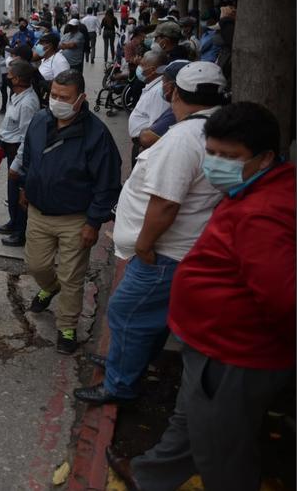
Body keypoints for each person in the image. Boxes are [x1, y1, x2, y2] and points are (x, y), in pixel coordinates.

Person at [108, 102, 295, 491]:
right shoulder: (257, 187)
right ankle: (151, 475)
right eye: (211, 152)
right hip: (212, 345)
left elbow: (285, 301)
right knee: (191, 419)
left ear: (264, 158)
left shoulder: (262, 214)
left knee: (222, 450)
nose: (216, 164)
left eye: (229, 157)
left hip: (232, 353)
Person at [75, 61, 228, 405]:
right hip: (176, 249)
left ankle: (119, 385)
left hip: (163, 252)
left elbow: (166, 204)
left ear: (174, 92)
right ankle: (126, 362)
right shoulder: (210, 128)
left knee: (126, 312)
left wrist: (144, 245)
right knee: (149, 317)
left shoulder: (185, 138)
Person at [16, 71, 122, 354]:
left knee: (72, 277)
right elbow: (28, 157)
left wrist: (94, 222)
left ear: (81, 99)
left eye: (65, 97)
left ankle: (67, 326)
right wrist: (26, 186)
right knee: (37, 265)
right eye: (54, 95)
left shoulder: (97, 134)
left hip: (76, 218)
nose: (57, 101)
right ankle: (49, 287)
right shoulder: (39, 120)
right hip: (39, 212)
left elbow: (107, 183)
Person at [0, 60, 41, 248]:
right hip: (9, 147)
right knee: (11, 192)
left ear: (20, 79)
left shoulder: (28, 103)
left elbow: (26, 137)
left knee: (19, 193)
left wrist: (17, 164)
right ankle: (13, 222)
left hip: (18, 153)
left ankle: (19, 232)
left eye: (11, 76)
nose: (8, 77)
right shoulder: (17, 96)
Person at [126, 51, 170, 161]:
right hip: (141, 143)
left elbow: (156, 127)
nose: (139, 68)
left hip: (146, 148)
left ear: (152, 70)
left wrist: (145, 150)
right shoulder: (153, 86)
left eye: (142, 65)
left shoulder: (158, 92)